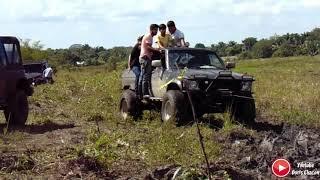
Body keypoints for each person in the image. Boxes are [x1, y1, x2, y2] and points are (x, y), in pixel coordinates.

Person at [139, 24, 160, 99]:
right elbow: (148, 47)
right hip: (145, 58)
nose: (157, 32)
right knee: (145, 76)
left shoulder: (149, 36)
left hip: (145, 57)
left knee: (143, 76)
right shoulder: (149, 36)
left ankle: (140, 93)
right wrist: (157, 50)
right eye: (156, 30)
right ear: (152, 29)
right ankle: (144, 93)